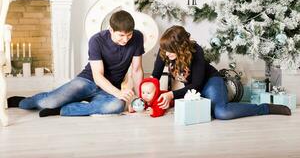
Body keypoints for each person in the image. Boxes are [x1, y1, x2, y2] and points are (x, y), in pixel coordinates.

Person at [8, 10, 144, 117]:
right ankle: (22, 102)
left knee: (116, 106)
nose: (126, 39)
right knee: (48, 102)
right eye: (121, 35)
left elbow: (137, 70)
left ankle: (63, 110)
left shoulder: (137, 37)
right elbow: (98, 76)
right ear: (111, 30)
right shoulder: (96, 40)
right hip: (87, 81)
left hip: (107, 89)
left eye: (129, 35)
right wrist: (118, 92)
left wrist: (140, 98)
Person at [151, 25, 291, 120]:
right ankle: (219, 99)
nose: (166, 53)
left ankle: (265, 108)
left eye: (170, 50)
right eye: (165, 49)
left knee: (221, 112)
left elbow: (197, 84)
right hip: (192, 90)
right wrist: (148, 95)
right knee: (203, 112)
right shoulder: (165, 50)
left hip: (210, 82)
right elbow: (154, 77)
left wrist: (171, 94)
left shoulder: (195, 50)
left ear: (181, 47)